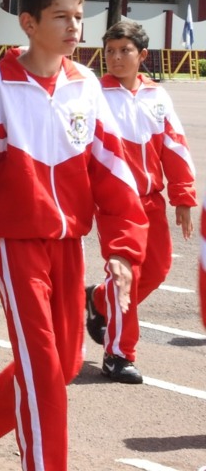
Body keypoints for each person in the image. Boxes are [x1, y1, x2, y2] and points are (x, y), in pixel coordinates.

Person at [0, 0, 147, 471]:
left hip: (69, 242)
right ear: (28, 23)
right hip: (15, 242)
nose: (76, 27)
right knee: (45, 374)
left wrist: (121, 248)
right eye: (61, 17)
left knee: (67, 362)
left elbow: (113, 169)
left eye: (79, 16)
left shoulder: (85, 84)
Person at [84, 20, 196, 383]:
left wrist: (182, 198)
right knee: (125, 275)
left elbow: (175, 147)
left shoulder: (157, 96)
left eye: (124, 51)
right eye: (110, 51)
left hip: (150, 201)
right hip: (114, 202)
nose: (115, 58)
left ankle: (98, 301)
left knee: (159, 268)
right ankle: (118, 354)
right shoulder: (93, 95)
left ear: (142, 55)